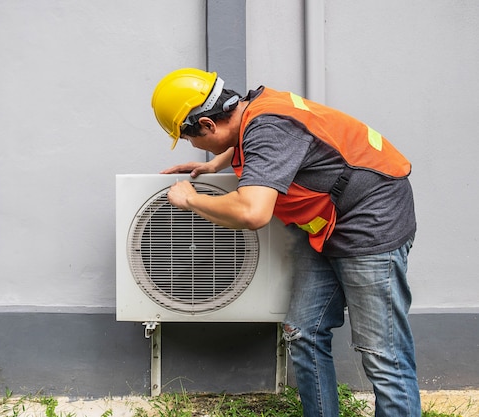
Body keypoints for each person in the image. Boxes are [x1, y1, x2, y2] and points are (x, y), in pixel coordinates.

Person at [151, 68, 421, 417]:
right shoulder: (254, 108)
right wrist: (219, 160)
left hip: (372, 217)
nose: (194, 147)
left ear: (207, 124)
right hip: (327, 221)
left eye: (191, 138)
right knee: (303, 332)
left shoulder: (268, 131)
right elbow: (277, 140)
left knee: (381, 351)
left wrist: (190, 200)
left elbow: (252, 212)